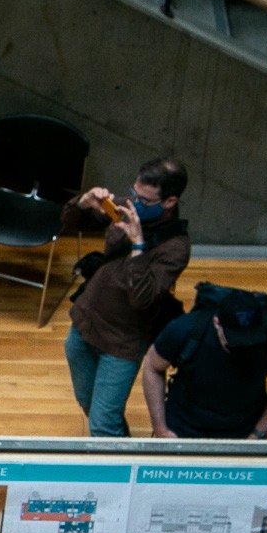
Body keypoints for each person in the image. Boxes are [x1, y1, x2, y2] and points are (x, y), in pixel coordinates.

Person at [61, 158, 191, 437]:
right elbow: (70, 222)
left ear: (168, 202)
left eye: (143, 199)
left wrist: (138, 245)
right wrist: (84, 202)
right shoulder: (127, 207)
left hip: (122, 342)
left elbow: (142, 299)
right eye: (133, 193)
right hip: (85, 322)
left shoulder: (176, 248)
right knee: (88, 403)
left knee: (103, 424)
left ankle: (117, 476)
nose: (133, 202)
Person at [142, 290, 267, 441]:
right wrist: (161, 430)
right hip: (183, 428)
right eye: (235, 341)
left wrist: (259, 433)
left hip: (245, 432)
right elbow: (152, 366)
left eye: (250, 340)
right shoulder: (185, 329)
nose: (243, 347)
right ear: (217, 323)